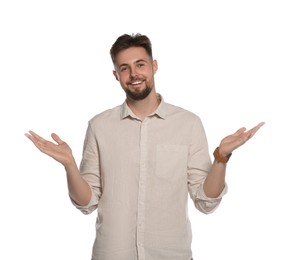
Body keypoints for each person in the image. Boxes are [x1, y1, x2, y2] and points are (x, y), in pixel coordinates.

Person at [25, 33, 264, 260]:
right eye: (124, 68)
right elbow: (87, 202)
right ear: (116, 75)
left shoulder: (188, 124)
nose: (133, 74)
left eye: (140, 64)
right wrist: (70, 166)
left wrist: (221, 157)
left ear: (154, 66)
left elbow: (205, 201)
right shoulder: (99, 126)